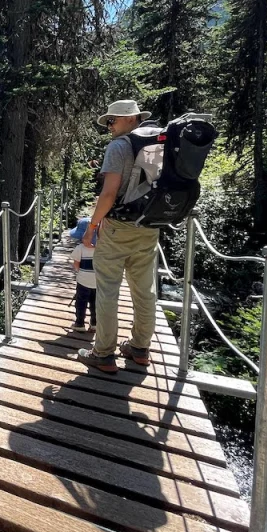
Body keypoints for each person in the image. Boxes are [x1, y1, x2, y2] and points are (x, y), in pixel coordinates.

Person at [76, 99, 159, 374]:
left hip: (118, 227)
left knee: (108, 289)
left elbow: (109, 193)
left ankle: (103, 353)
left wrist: (92, 227)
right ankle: (139, 348)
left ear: (131, 119)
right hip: (149, 226)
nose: (110, 126)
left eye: (113, 120)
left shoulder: (119, 147)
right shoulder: (157, 144)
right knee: (144, 290)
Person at [68, 218, 97, 331]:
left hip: (83, 281)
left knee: (81, 302)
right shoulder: (101, 249)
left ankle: (79, 323)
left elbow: (76, 264)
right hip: (98, 282)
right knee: (96, 304)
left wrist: (79, 272)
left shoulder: (80, 248)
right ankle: (94, 323)